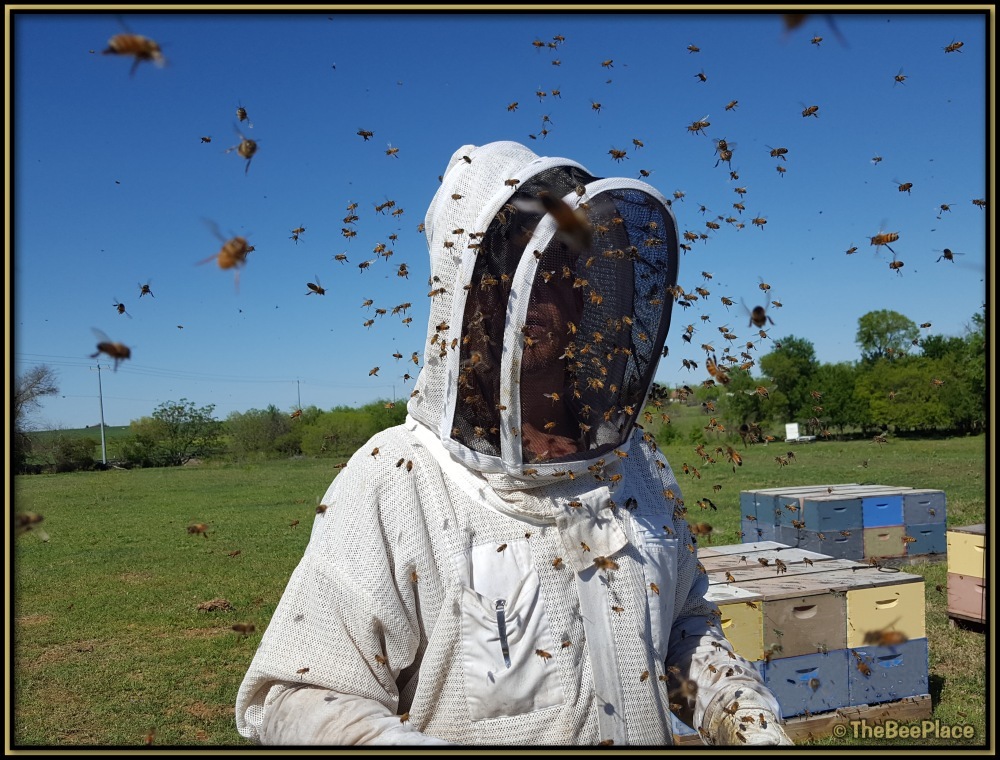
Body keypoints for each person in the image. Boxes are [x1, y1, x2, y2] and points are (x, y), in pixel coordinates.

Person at [234, 140, 793, 746]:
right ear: (463, 293)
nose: (541, 294)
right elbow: (296, 697)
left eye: (561, 269)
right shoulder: (395, 478)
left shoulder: (638, 464)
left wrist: (740, 714)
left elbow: (681, 627)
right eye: (513, 268)